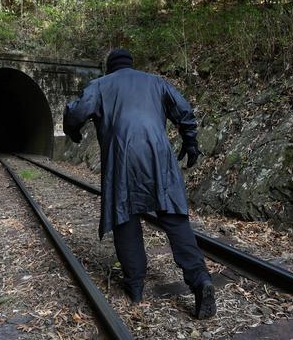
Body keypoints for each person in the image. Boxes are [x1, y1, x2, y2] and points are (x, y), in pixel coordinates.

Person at [63, 48, 216, 320]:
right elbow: (184, 111)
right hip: (159, 156)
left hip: (122, 157)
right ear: (132, 65)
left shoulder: (100, 85)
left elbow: (75, 114)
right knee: (174, 216)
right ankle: (200, 279)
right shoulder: (156, 82)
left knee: (125, 216)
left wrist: (73, 132)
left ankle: (135, 287)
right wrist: (190, 142)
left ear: (110, 67)